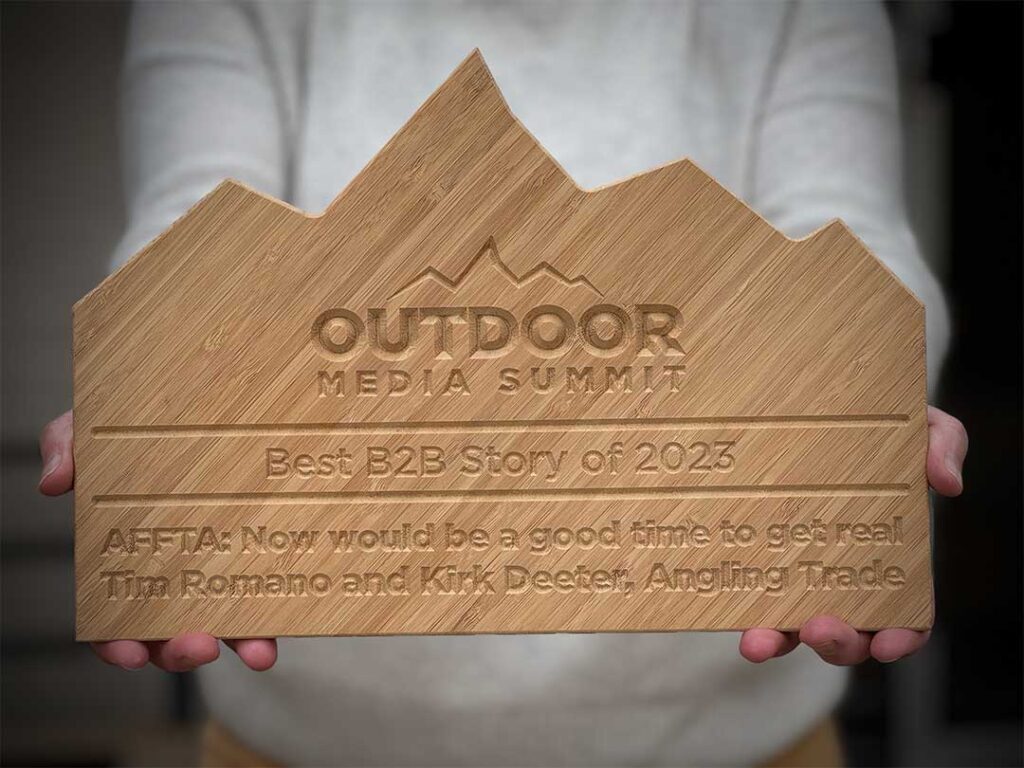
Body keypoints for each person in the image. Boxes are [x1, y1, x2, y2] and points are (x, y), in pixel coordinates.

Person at [38, 2, 969, 766]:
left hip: (734, 732)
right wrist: (149, 410)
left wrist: (863, 422)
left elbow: (850, 257)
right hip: (303, 737)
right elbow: (194, 242)